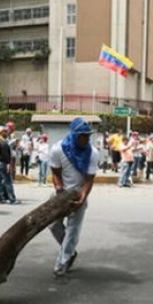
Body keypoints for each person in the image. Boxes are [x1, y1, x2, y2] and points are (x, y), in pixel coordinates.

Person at [49, 117, 99, 282]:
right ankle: (69, 251)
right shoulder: (57, 149)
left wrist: (82, 197)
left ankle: (61, 264)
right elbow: (55, 173)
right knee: (53, 225)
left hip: (79, 193)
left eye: (88, 135)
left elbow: (89, 179)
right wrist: (59, 190)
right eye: (82, 136)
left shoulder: (93, 153)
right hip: (61, 192)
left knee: (73, 230)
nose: (86, 139)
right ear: (74, 135)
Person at [0, 126, 19, 204]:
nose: (6, 133)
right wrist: (8, 165)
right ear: (1, 132)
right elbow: (6, 156)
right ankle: (12, 199)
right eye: (5, 132)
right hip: (2, 163)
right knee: (8, 182)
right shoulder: (3, 142)